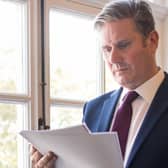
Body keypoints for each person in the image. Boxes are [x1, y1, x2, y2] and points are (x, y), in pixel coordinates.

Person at [31, 0, 168, 168]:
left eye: (123, 45)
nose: (113, 59)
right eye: (107, 49)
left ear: (152, 41)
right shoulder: (93, 109)